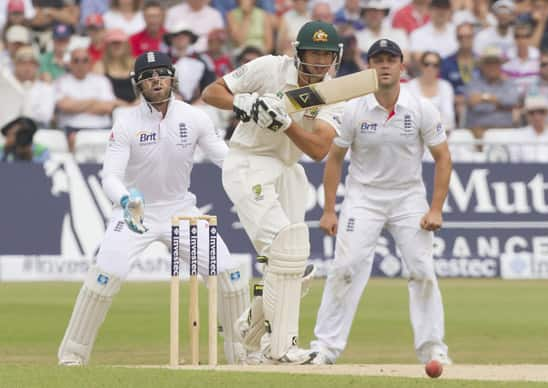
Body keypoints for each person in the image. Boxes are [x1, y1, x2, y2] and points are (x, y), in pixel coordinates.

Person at [57, 51, 250, 366]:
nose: (155, 80)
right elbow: (110, 176)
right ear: (138, 84)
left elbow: (226, 159)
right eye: (147, 76)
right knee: (105, 277)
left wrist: (253, 172)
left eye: (161, 73)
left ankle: (241, 353)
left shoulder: (195, 117)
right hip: (135, 213)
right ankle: (73, 355)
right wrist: (126, 200)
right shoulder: (126, 121)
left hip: (181, 211)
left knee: (231, 276)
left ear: (172, 77)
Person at [201, 21, 344, 364]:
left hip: (289, 169)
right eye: (314, 53)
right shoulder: (269, 67)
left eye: (327, 55)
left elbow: (319, 149)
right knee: (287, 252)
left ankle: (250, 331)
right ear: (299, 53)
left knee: (294, 263)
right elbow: (211, 93)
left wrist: (286, 123)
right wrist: (245, 104)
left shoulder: (334, 93)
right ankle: (282, 347)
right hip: (248, 162)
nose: (321, 63)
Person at [308, 38, 453, 366]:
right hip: (363, 198)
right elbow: (334, 159)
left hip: (408, 198)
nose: (384, 65)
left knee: (422, 270)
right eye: (378, 60)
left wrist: (435, 208)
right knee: (344, 268)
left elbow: (443, 158)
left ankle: (433, 349)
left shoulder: (421, 108)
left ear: (402, 66)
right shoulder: (354, 109)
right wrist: (330, 209)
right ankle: (325, 348)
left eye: (391, 59)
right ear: (369, 67)